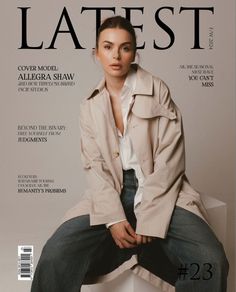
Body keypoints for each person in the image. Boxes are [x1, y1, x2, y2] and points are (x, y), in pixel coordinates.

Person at [31, 15, 229, 292]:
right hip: (109, 192)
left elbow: (171, 160)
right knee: (54, 256)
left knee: (211, 260)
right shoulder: (89, 106)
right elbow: (94, 167)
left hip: (161, 191)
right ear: (96, 53)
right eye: (108, 47)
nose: (116, 55)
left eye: (125, 47)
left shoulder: (157, 90)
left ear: (134, 53)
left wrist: (151, 215)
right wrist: (113, 218)